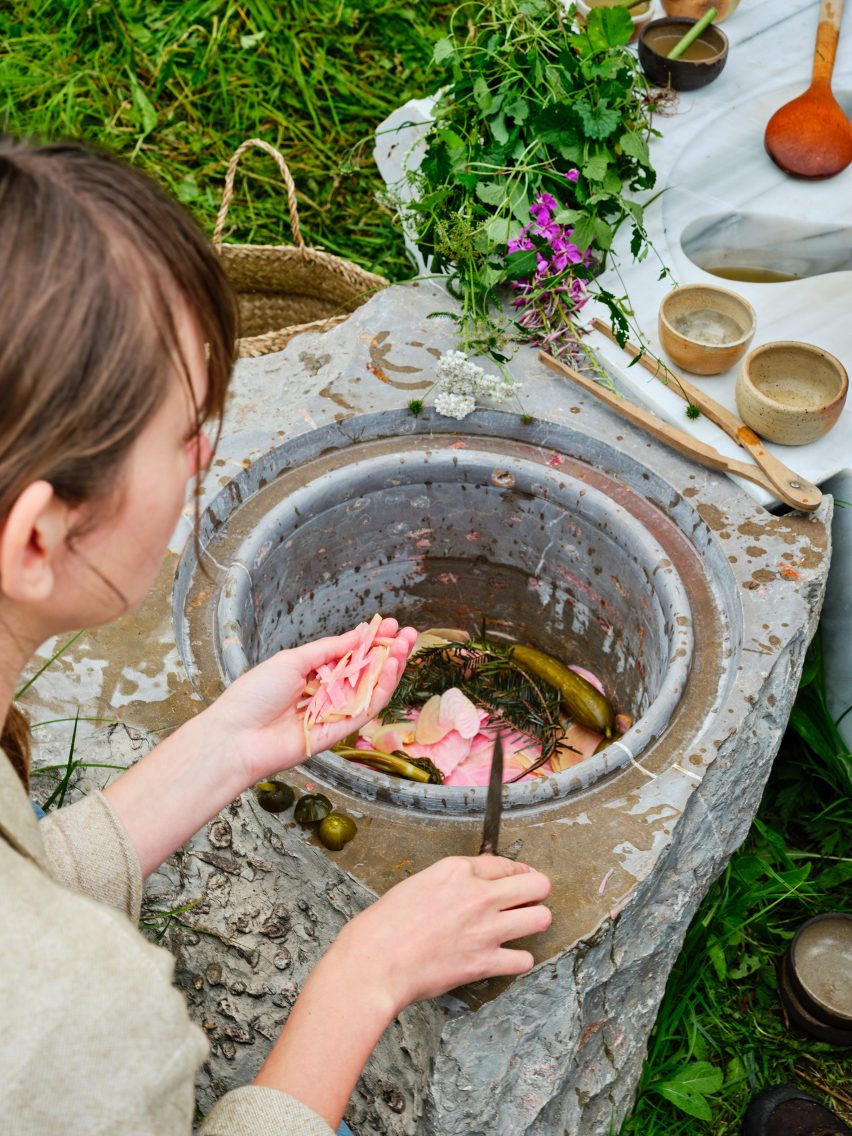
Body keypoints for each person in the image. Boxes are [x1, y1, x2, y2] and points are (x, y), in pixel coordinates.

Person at [0, 135, 553, 1135]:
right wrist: (365, 973)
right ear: (38, 535)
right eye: (183, 434)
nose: (209, 451)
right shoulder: (79, 1025)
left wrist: (221, 749)